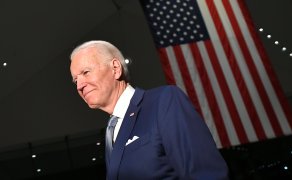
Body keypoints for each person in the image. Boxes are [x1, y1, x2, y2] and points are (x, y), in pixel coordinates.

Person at [69, 40, 229, 179]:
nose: (79, 85)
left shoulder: (164, 101)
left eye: (86, 72)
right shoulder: (111, 130)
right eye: (75, 80)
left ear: (115, 69)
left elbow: (205, 174)